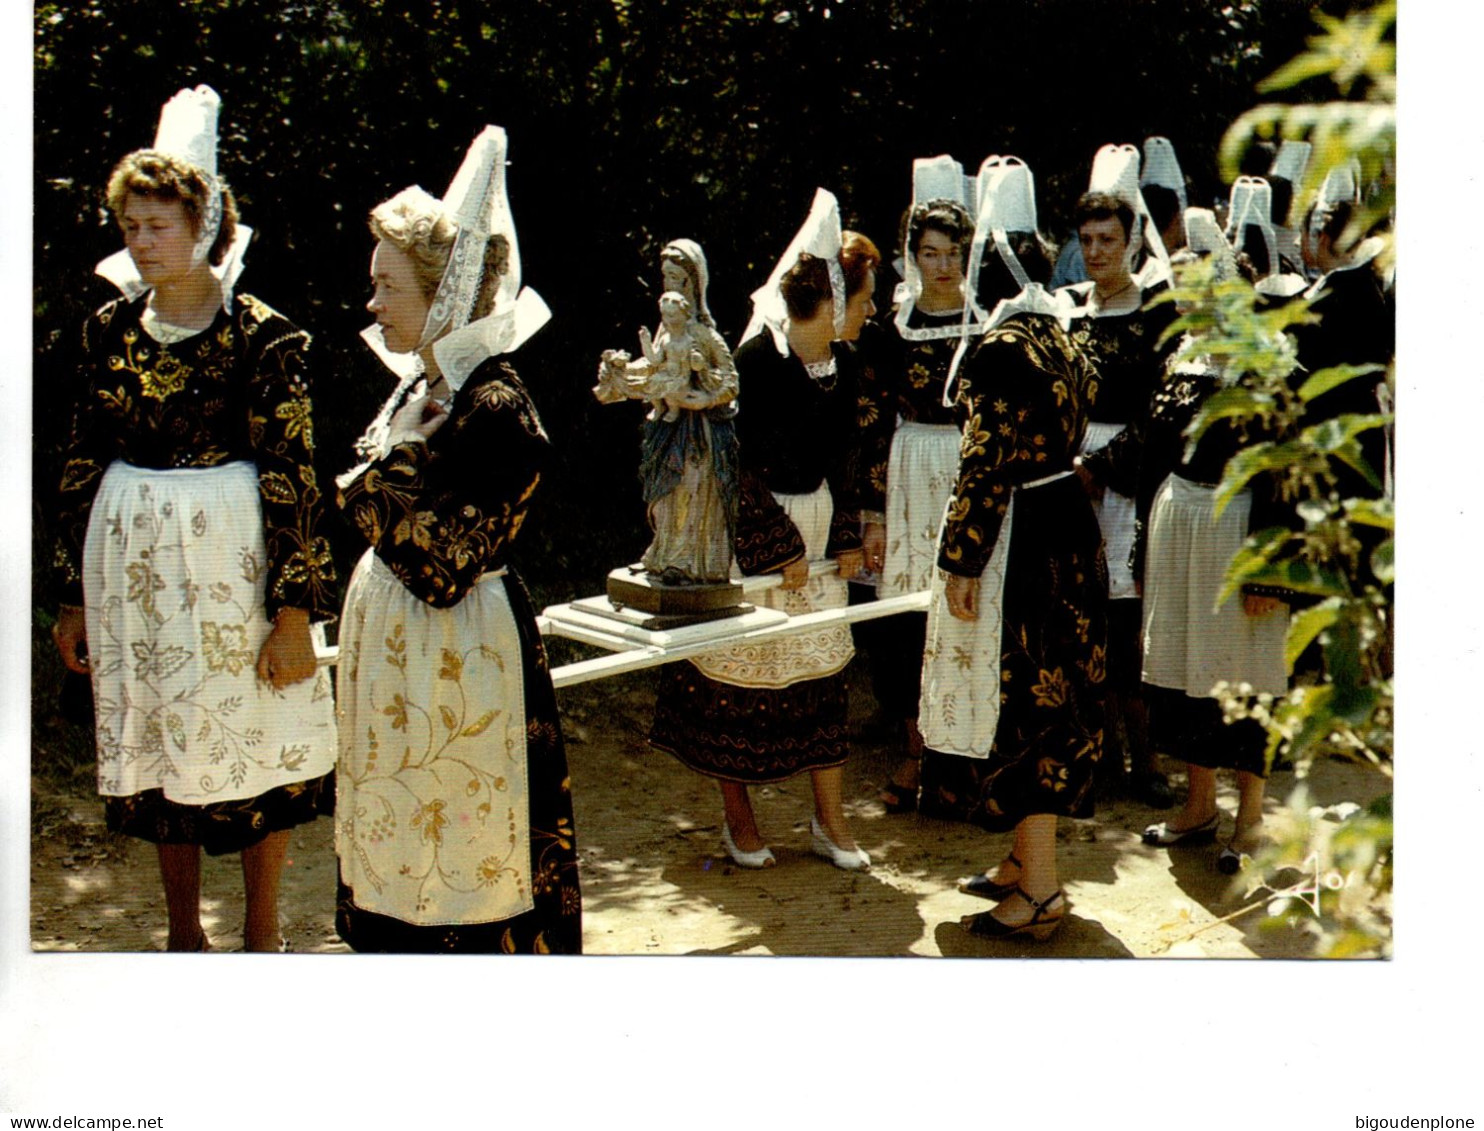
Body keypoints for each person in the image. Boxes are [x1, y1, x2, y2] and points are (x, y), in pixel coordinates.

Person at [51, 87, 337, 952]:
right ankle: (184, 931)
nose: (140, 242)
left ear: (205, 224)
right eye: (130, 225)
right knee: (161, 737)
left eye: (158, 225)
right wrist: (71, 595)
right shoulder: (108, 332)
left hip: (233, 572)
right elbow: (77, 464)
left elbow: (294, 476)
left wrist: (294, 614)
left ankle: (260, 926)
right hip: (137, 574)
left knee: (253, 737)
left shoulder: (264, 338)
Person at [333, 127, 581, 953]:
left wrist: (375, 476)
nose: (371, 303)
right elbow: (384, 516)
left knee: (466, 845)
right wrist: (382, 478)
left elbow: (440, 566)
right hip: (402, 652)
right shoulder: (426, 384)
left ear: (445, 295)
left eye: (385, 287)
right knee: (400, 833)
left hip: (460, 654)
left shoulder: (497, 408)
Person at [649, 189, 877, 870]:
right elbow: (719, 460)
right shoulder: (755, 365)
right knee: (738, 677)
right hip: (751, 532)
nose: (870, 312)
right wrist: (775, 544)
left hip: (814, 524)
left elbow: (851, 454)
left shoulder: (847, 367)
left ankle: (829, 820)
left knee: (823, 669)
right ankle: (739, 817)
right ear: (831, 302)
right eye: (862, 299)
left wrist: (853, 527)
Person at [919, 229, 1107, 941]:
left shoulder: (1001, 350)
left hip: (1022, 533)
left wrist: (960, 558)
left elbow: (984, 461)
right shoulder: (1066, 336)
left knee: (1024, 702)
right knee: (1052, 697)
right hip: (1068, 523)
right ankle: (1022, 858)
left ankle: (1040, 890)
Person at [1136, 210, 1295, 871]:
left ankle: (1251, 818)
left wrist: (1270, 570)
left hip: (1238, 532)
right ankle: (1199, 805)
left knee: (1243, 675)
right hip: (1182, 527)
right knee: (1183, 676)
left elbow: (1288, 468)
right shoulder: (1183, 351)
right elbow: (1154, 450)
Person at [856, 194, 978, 815]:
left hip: (967, 467)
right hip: (908, 471)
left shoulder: (986, 322)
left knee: (967, 611)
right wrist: (873, 513)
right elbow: (872, 419)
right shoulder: (890, 328)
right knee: (908, 618)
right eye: (929, 253)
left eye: (952, 253)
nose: (942, 266)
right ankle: (915, 752)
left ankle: (967, 756)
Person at [1061, 190, 1180, 809]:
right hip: (1072, 474)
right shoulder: (1070, 312)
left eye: (1108, 239)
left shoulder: (1157, 310)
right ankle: (1100, 750)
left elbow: (1165, 406)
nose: (1097, 252)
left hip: (1129, 479)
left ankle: (1149, 756)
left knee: (1130, 620)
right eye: (1087, 241)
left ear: (1132, 242)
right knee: (1087, 617)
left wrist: (1104, 464)